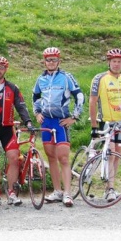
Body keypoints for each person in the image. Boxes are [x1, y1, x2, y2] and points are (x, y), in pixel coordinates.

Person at [32, 47, 85, 207]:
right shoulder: (40, 79)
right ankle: (57, 190)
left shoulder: (66, 77)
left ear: (59, 61)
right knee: (51, 157)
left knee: (63, 157)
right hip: (46, 122)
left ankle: (68, 193)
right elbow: (35, 96)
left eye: (54, 59)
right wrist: (37, 113)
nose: (51, 62)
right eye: (48, 59)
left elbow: (79, 95)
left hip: (61, 121)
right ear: (44, 61)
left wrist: (74, 117)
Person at [0, 56, 33, 207]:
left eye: (1, 67)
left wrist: (28, 121)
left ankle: (12, 193)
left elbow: (21, 105)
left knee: (14, 158)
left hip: (7, 129)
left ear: (6, 69)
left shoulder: (12, 88)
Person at [89, 48, 121, 202]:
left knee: (118, 154)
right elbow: (93, 101)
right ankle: (110, 189)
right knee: (111, 151)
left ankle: (111, 186)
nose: (116, 64)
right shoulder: (99, 78)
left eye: (119, 62)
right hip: (105, 121)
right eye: (114, 61)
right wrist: (94, 125)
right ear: (109, 62)